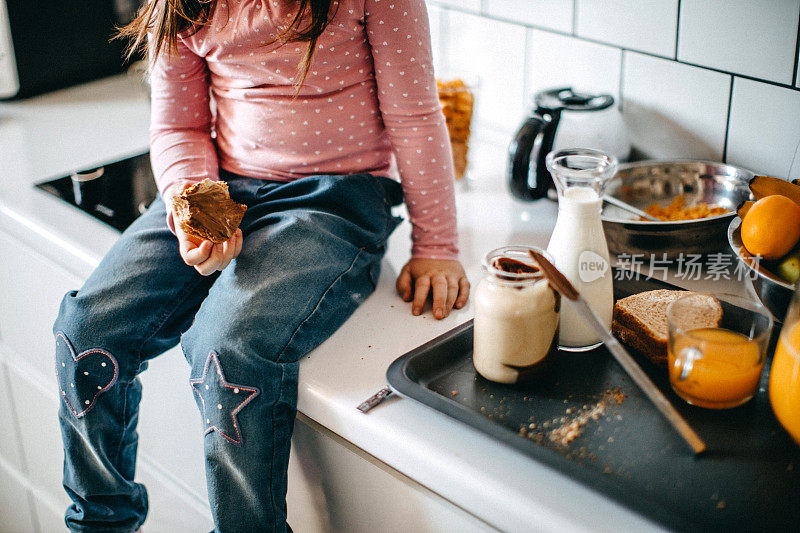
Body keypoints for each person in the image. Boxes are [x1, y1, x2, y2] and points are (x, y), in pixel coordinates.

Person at [53, 0, 469, 531]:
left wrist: (437, 245)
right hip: (218, 182)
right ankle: (100, 521)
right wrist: (194, 205)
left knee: (228, 347)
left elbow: (414, 115)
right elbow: (179, 126)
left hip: (333, 197)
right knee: (85, 327)